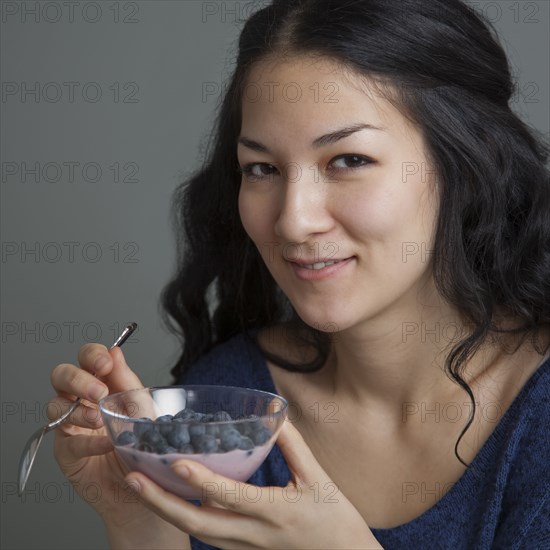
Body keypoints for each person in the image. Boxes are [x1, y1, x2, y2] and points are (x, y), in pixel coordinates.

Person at [48, 0, 550, 548]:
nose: (293, 219)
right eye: (262, 169)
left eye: (348, 160)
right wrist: (143, 517)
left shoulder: (536, 416)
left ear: (465, 166)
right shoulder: (234, 402)